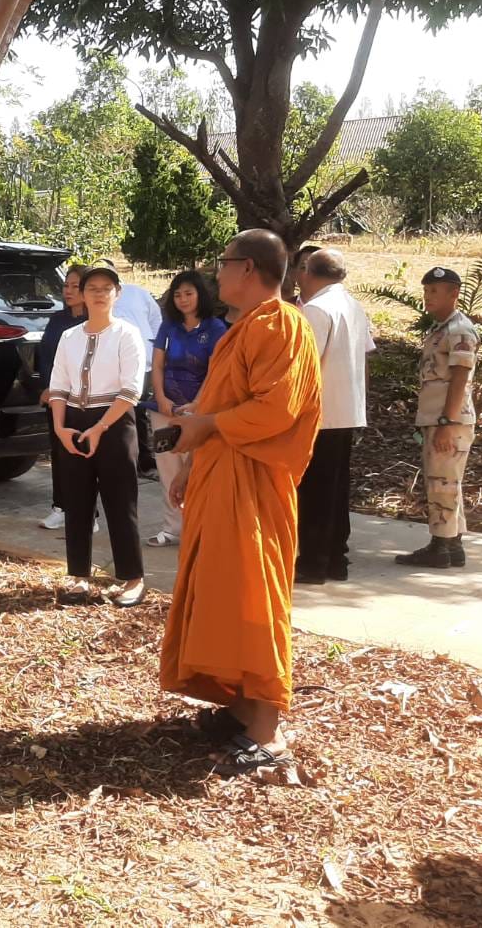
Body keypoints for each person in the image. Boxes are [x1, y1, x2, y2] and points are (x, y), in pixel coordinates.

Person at [158, 229, 321, 775]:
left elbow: (276, 410)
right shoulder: (241, 328)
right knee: (222, 590)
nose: (215, 273)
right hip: (219, 473)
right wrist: (189, 457)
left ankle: (267, 730)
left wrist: (206, 426)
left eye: (222, 262)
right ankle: (238, 704)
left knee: (253, 594)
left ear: (247, 268)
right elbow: (219, 404)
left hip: (253, 482)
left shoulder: (282, 324)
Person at [47, 262, 148, 607]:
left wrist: (100, 427)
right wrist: (61, 428)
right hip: (74, 422)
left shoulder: (126, 334)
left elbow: (131, 390)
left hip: (115, 423)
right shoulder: (69, 337)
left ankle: (132, 578)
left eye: (107, 288)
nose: (100, 294)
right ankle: (78, 575)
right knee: (77, 502)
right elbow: (58, 385)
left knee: (121, 502)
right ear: (82, 294)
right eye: (93, 288)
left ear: (117, 293)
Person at [295, 249, 375, 584]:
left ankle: (313, 562)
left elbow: (305, 364)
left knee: (314, 491)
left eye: (302, 269)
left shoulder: (316, 309)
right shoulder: (354, 306)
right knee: (337, 489)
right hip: (347, 409)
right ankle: (336, 560)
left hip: (320, 413)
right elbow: (367, 356)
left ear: (310, 272)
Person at [395, 266, 478, 570]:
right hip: (439, 419)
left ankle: (439, 546)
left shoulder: (459, 331)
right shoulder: (442, 329)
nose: (427, 296)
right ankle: (452, 545)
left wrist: (446, 423)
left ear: (454, 294)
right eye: (426, 290)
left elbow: (459, 379)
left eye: (434, 291)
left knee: (441, 483)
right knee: (446, 482)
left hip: (449, 421)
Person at [145, 271, 228, 547]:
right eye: (178, 294)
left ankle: (199, 528)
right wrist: (161, 397)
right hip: (164, 409)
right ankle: (172, 528)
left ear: (200, 295)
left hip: (199, 412)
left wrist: (198, 403)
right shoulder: (168, 327)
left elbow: (215, 371)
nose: (183, 300)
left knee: (196, 469)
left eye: (188, 293)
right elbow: (158, 365)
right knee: (168, 467)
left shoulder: (216, 328)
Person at [38, 264, 87, 530]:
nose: (68, 291)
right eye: (66, 285)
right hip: (57, 399)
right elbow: (46, 357)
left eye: (75, 286)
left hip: (84, 399)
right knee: (59, 452)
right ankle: (60, 507)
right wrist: (49, 388)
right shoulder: (57, 320)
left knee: (83, 454)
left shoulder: (94, 322)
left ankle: (88, 514)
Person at [108, 262, 163, 479]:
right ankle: (123, 459)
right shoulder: (99, 297)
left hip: (145, 364)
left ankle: (144, 461)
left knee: (138, 412)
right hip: (113, 366)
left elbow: (156, 318)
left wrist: (153, 345)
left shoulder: (138, 293)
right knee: (120, 413)